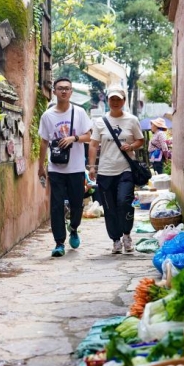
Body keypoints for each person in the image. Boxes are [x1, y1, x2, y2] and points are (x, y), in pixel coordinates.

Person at [37, 76, 94, 258]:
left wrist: (74, 138)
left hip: (76, 167)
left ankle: (74, 228)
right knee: (56, 206)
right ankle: (59, 242)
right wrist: (40, 166)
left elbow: (89, 136)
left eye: (67, 88)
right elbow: (44, 141)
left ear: (71, 92)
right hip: (56, 168)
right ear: (54, 92)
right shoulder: (47, 115)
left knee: (77, 204)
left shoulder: (79, 112)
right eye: (60, 88)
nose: (63, 91)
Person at [87, 85, 145, 254]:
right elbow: (93, 145)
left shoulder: (132, 120)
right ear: (107, 100)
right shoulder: (100, 122)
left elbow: (140, 140)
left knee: (124, 202)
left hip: (126, 169)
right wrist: (92, 167)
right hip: (105, 171)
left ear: (124, 101)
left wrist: (131, 146)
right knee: (109, 207)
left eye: (118, 99)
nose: (115, 102)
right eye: (112, 99)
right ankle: (115, 240)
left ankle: (126, 234)